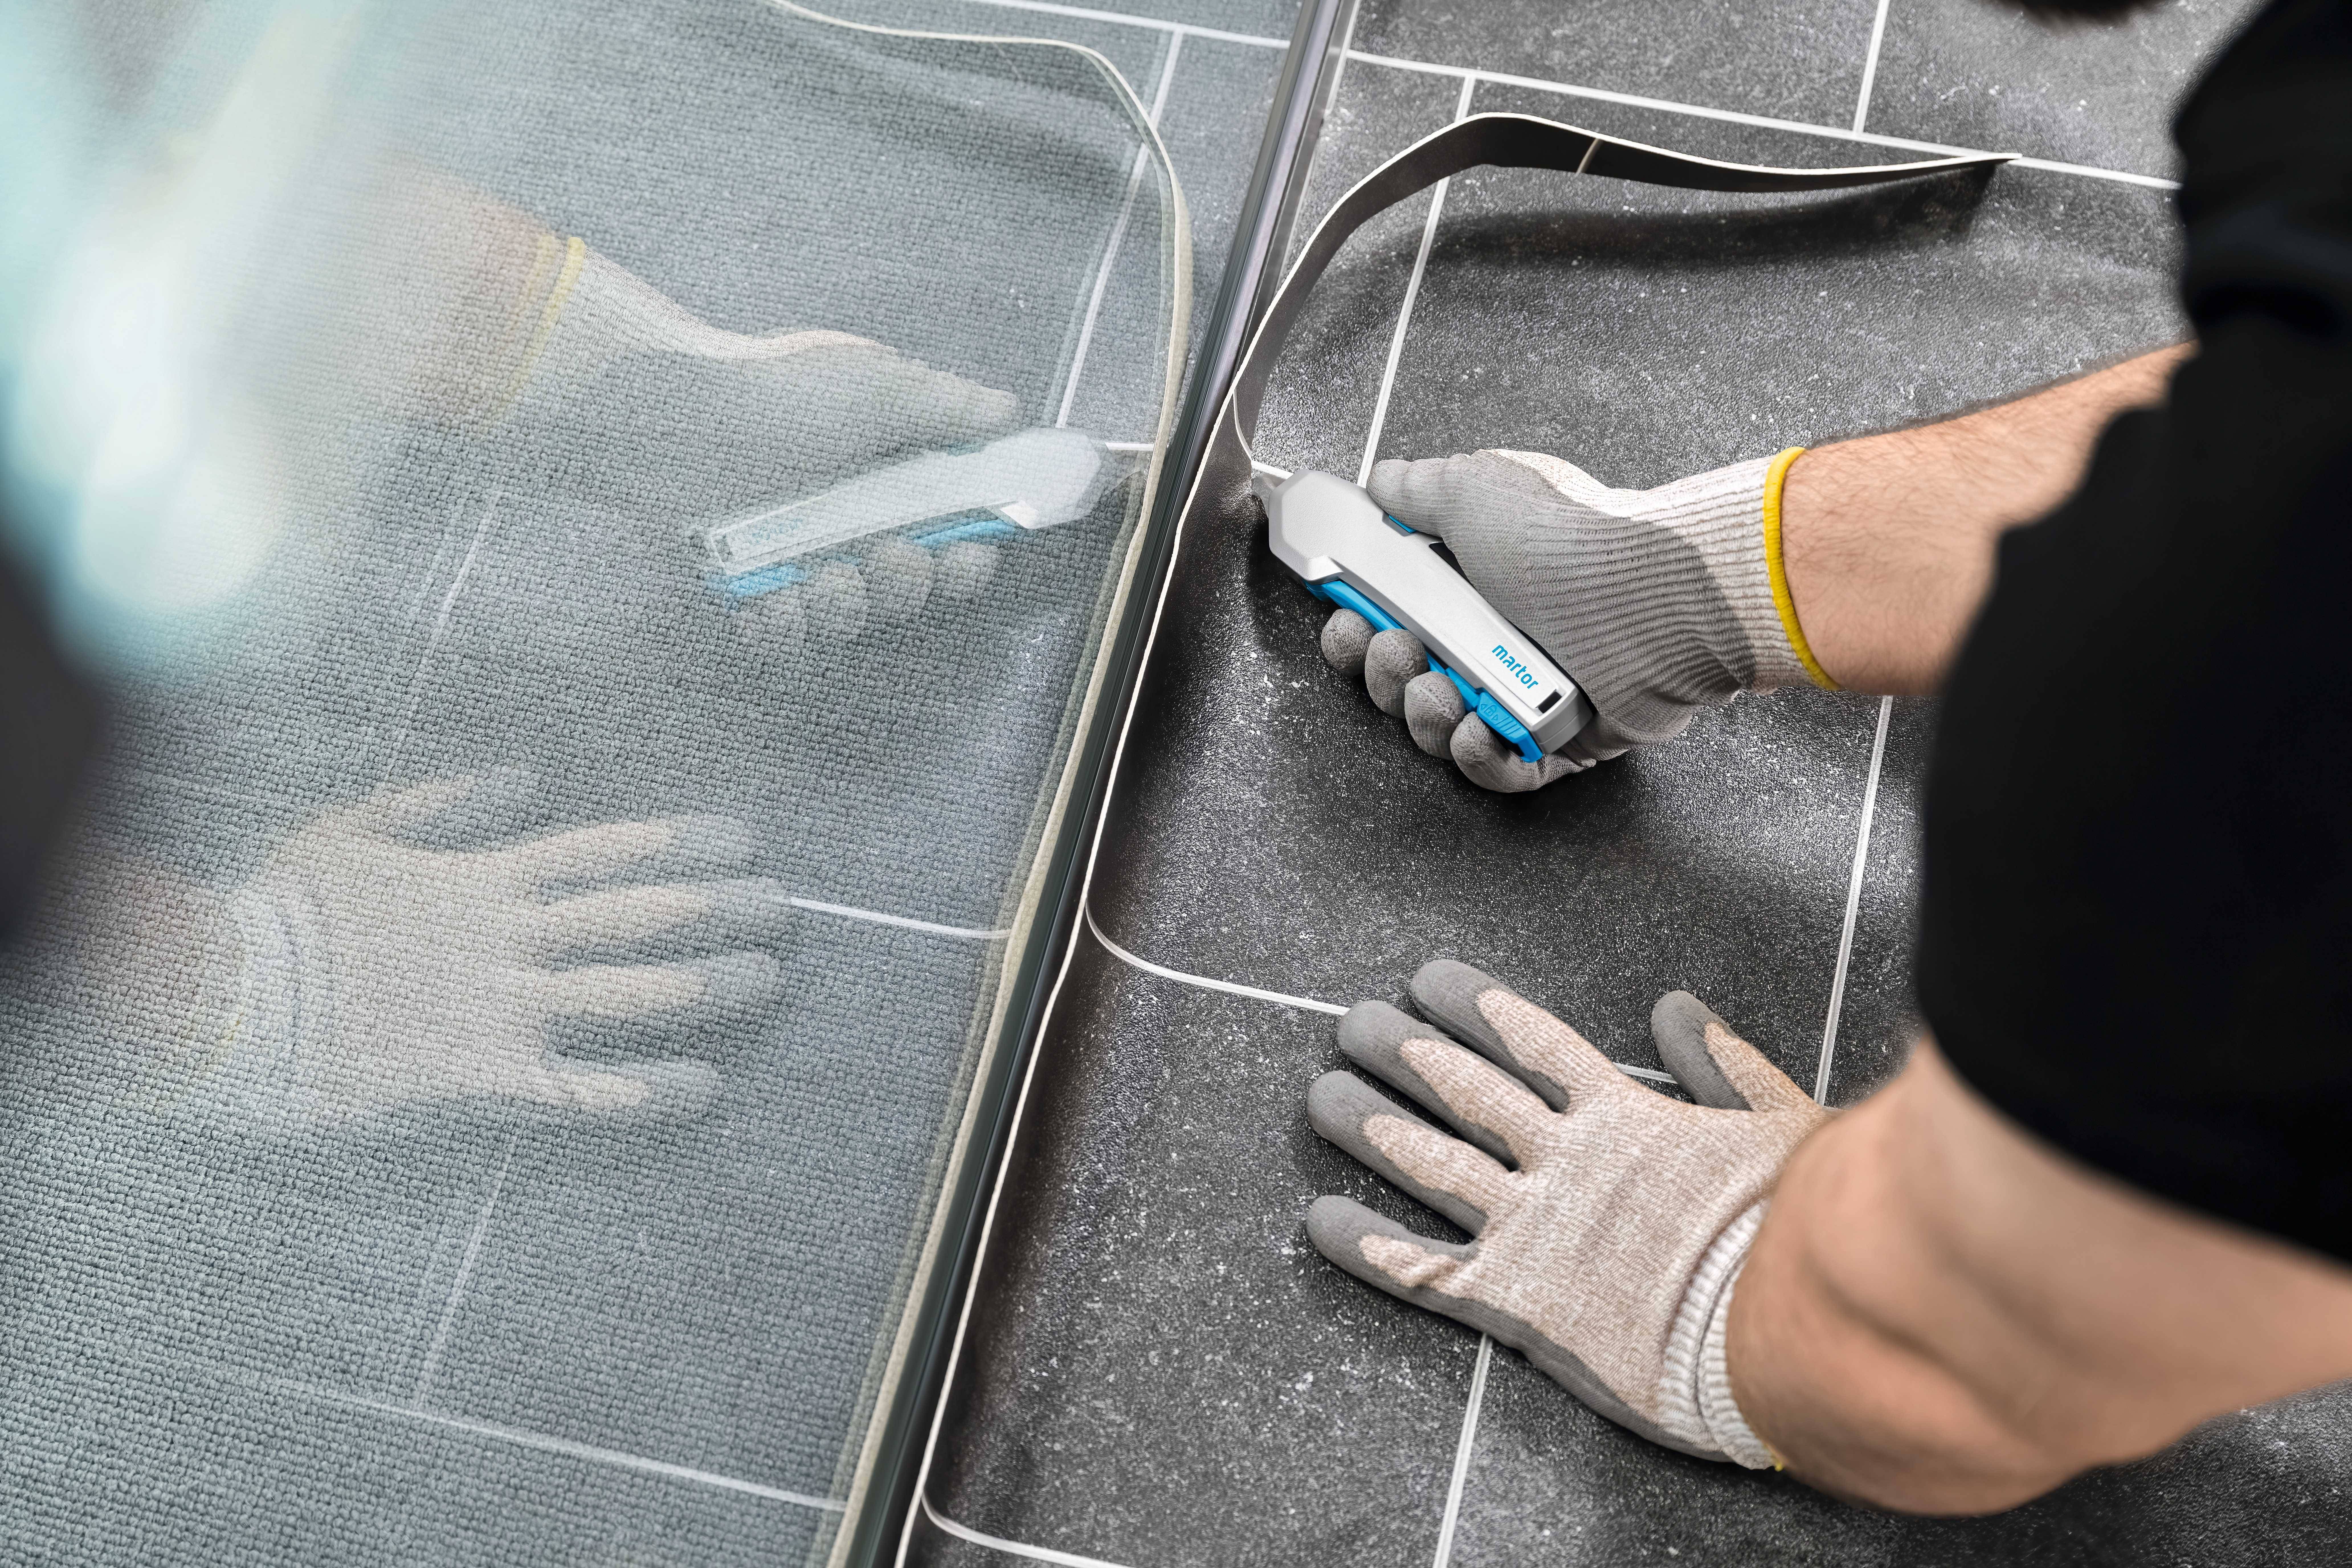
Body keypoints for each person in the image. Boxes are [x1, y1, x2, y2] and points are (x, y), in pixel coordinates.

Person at [1296, 0, 2352, 1512]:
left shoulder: (2239, 769)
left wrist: (1766, 1300)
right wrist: (1680, 584)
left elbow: (1960, 1368)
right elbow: (2300, 420)